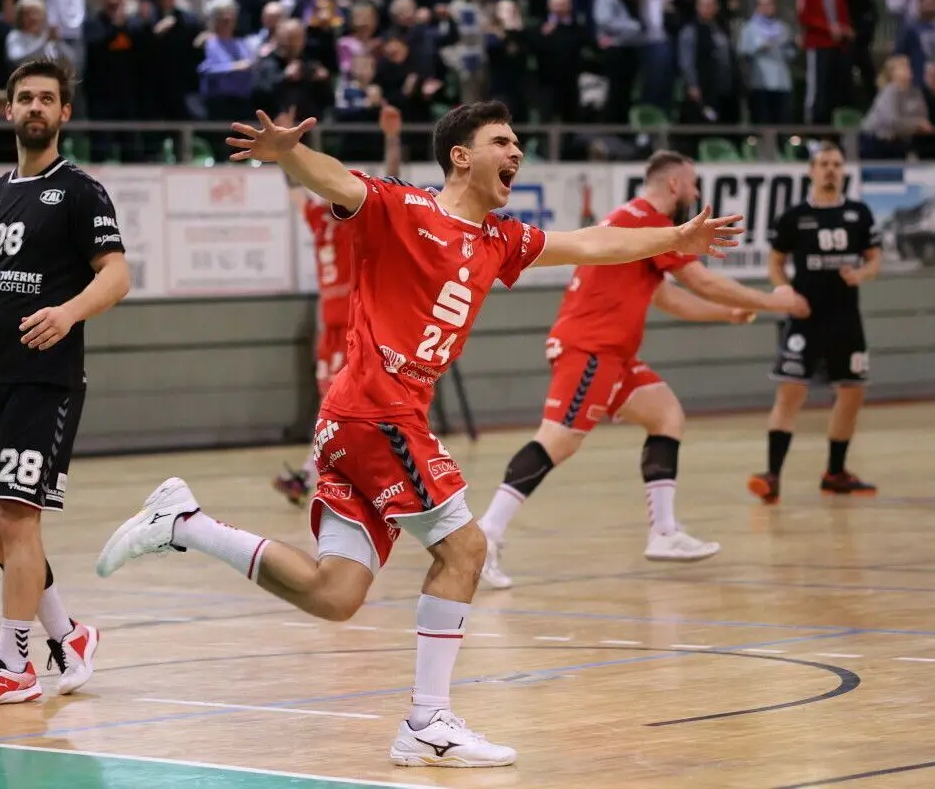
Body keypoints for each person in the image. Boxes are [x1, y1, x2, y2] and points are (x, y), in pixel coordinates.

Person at [95, 102, 743, 768]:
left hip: (358, 422)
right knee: (466, 547)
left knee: (335, 593)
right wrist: (289, 153)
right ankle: (428, 720)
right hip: (377, 412)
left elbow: (593, 241)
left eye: (520, 142)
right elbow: (337, 181)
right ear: (461, 155)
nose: (516, 151)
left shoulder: (501, 238)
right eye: (502, 141)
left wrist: (674, 238)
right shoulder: (403, 209)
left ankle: (185, 522)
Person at [477, 150, 809, 586]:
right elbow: (702, 281)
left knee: (665, 414)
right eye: (692, 184)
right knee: (558, 440)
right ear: (674, 185)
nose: (695, 192)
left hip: (613, 356)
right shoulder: (650, 222)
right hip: (590, 350)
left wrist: (726, 314)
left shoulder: (637, 222)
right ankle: (484, 538)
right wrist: (771, 302)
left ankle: (665, 532)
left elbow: (668, 297)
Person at [0, 58, 131, 707]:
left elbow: (116, 276)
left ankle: (13, 666)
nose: (36, 107)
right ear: (8, 110)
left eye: (48, 98)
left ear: (64, 113)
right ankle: (68, 635)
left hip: (46, 379)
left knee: (18, 516)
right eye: (25, 98)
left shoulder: (81, 191)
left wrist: (69, 311)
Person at [273, 105, 403, 504]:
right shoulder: (318, 216)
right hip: (328, 320)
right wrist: (283, 147)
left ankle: (330, 475)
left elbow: (391, 174)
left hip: (354, 318)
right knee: (331, 401)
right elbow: (295, 186)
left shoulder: (360, 216)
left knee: (349, 402)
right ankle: (317, 475)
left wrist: (391, 138)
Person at [749, 142, 880, 504]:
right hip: (806, 318)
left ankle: (835, 472)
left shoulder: (858, 213)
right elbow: (775, 263)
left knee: (852, 393)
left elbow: (874, 261)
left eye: (836, 164)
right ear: (811, 170)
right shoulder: (794, 217)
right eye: (824, 164)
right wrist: (786, 292)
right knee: (790, 393)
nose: (830, 170)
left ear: (843, 171)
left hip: (845, 317)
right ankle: (772, 475)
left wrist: (862, 274)